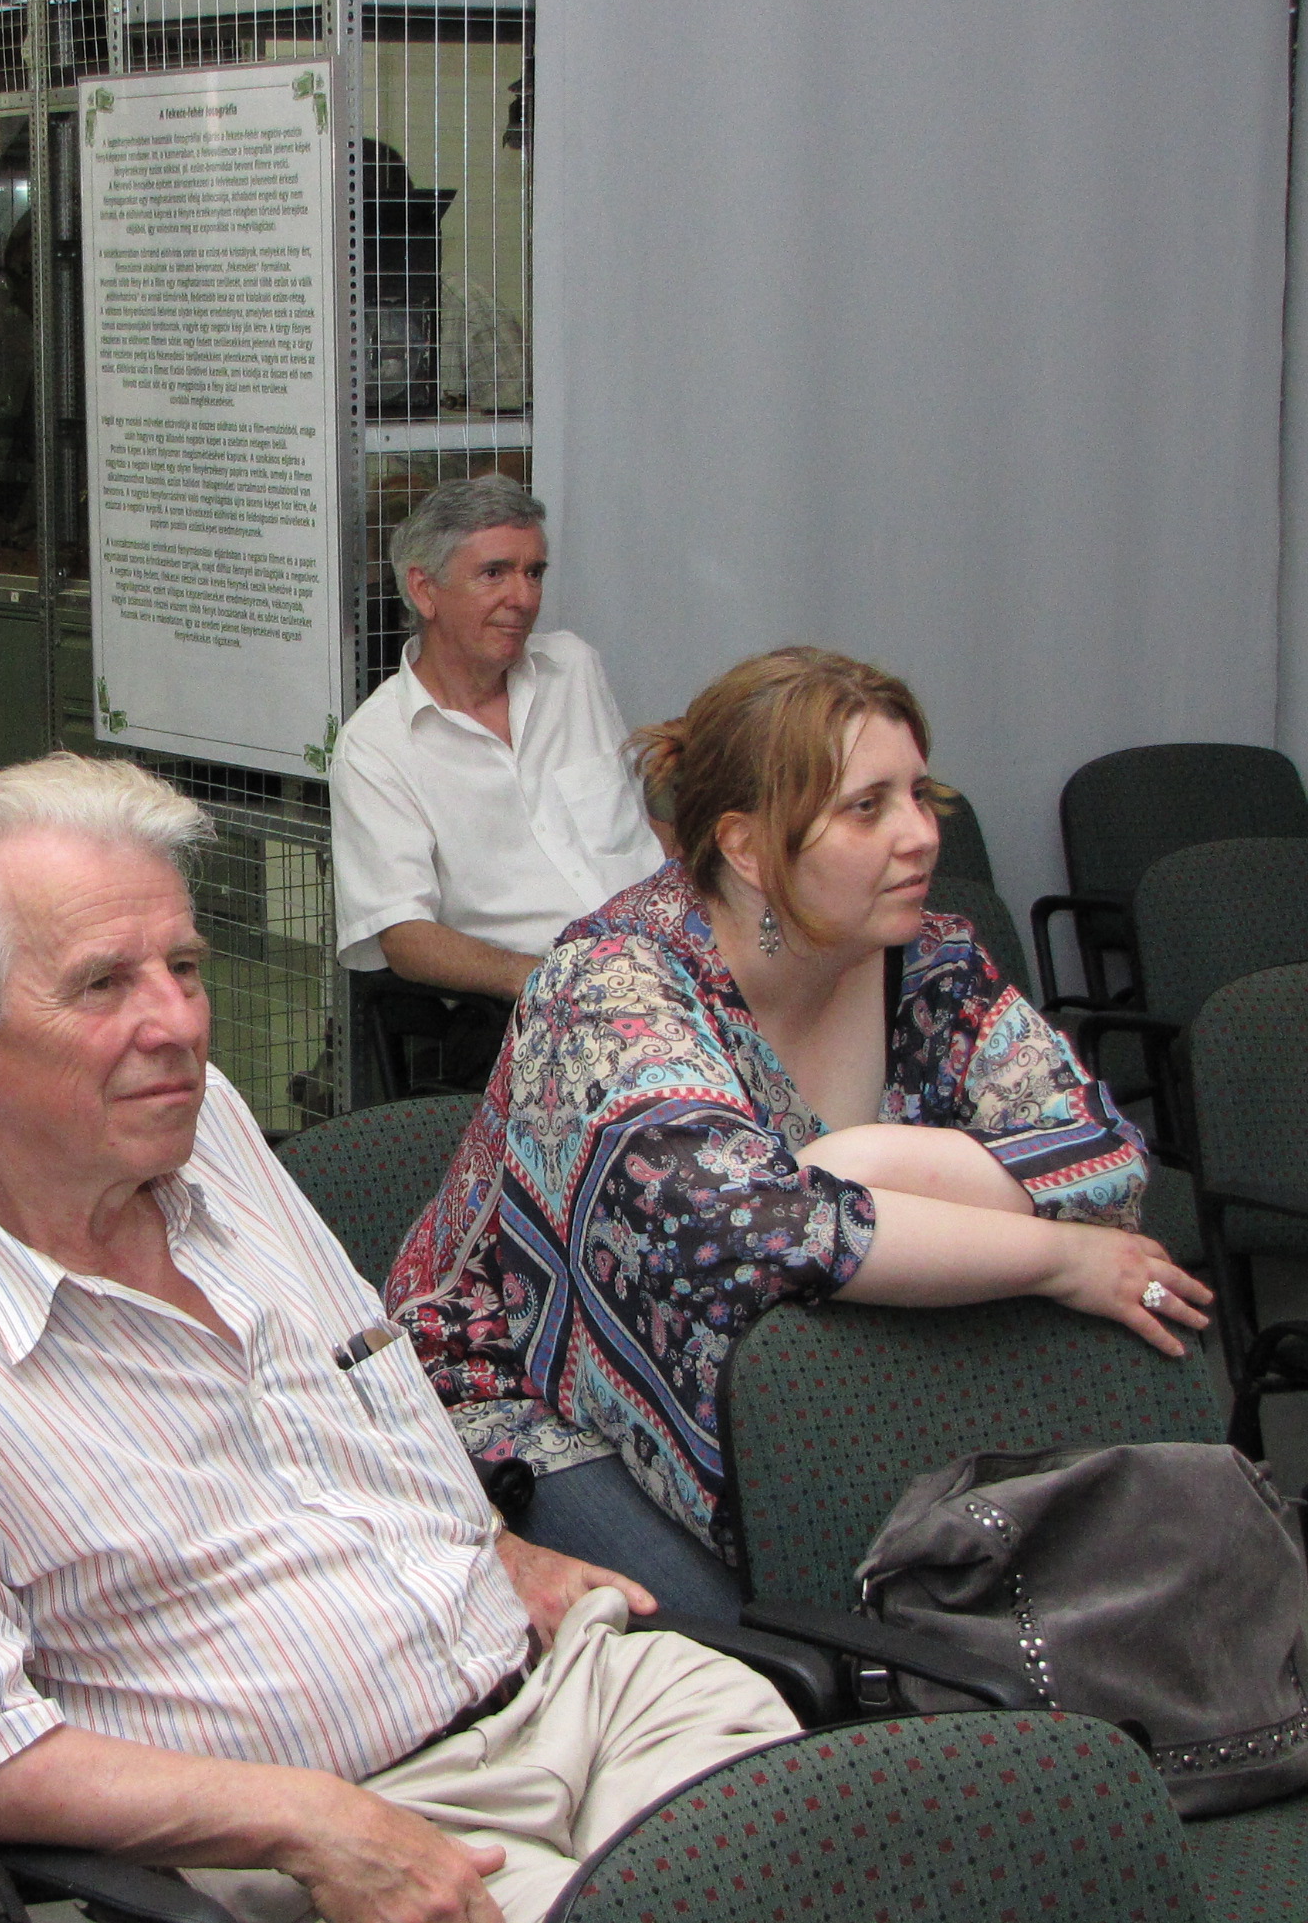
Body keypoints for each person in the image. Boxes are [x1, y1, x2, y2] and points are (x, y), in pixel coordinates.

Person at [0, 755, 802, 1923]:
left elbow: (368, 1391)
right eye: (103, 984)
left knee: (843, 1844)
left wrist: (496, 1548)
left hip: (568, 1690)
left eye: (183, 967)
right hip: (334, 1818)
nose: (177, 1023)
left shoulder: (206, 1131)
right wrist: (302, 1821)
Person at [383, 647, 1210, 1616]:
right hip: (525, 1395)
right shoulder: (608, 989)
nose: (920, 835)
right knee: (775, 1647)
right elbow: (746, 1229)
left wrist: (858, 1162)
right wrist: (1059, 1261)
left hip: (817, 1369)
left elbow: (1104, 1158)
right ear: (745, 848)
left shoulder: (928, 963)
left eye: (918, 794)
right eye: (866, 808)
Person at [329, 476, 664, 1004]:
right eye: (494, 573)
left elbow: (641, 827)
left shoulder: (573, 669)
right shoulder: (375, 747)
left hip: (666, 960)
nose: (524, 597)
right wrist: (562, 983)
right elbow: (406, 938)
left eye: (534, 573)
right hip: (537, 1004)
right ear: (424, 591)